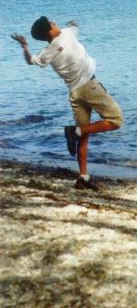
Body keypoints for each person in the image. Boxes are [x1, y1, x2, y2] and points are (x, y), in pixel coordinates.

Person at [11, 17, 123, 191]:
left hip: (74, 93)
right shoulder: (67, 34)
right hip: (90, 87)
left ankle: (83, 177)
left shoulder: (47, 52)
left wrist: (25, 46)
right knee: (116, 121)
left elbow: (30, 61)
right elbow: (74, 25)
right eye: (52, 23)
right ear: (51, 31)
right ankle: (74, 131)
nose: (55, 22)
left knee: (84, 135)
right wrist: (73, 23)